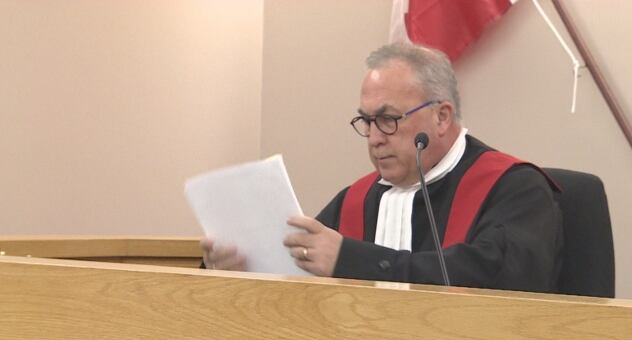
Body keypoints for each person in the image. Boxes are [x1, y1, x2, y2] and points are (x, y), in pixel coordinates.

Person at [201, 42, 563, 293]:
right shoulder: (357, 200)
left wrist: (350, 260)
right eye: (366, 121)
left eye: (388, 119)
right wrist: (237, 269)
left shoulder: (516, 189)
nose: (374, 137)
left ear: (441, 117)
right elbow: (302, 273)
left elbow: (492, 278)